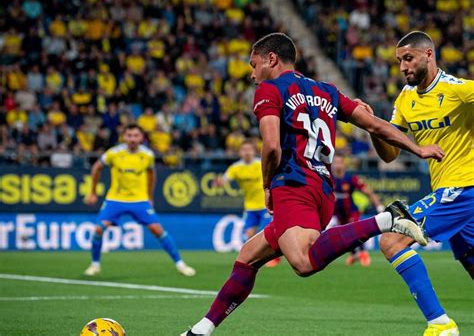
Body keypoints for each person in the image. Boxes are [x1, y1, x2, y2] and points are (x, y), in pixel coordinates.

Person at [181, 32, 444, 336]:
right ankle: (201, 330)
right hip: (322, 191)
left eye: (254, 65)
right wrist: (418, 149)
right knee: (248, 257)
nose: (252, 75)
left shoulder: (269, 90)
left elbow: (271, 147)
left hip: (293, 185)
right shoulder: (327, 91)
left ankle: (387, 219)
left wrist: (267, 185)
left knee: (303, 262)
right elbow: (374, 124)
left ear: (272, 59)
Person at [363, 31, 473, 336]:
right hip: (448, 192)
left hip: (464, 188)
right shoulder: (405, 99)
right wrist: (375, 128)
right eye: (399, 61)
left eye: (408, 58)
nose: (402, 67)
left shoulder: (460, 90)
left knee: (391, 239)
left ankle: (440, 324)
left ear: (429, 55)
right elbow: (389, 155)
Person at [84, 124, 196, 277]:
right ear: (124, 137)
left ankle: (180, 264)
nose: (132, 139)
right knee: (98, 229)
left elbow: (151, 174)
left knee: (157, 230)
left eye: (136, 136)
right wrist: (93, 192)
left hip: (139, 200)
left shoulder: (147, 155)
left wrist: (150, 196)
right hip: (115, 199)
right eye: (129, 135)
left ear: (141, 138)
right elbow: (96, 167)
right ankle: (95, 265)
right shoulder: (113, 153)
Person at [214, 139, 280, 267]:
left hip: (265, 205)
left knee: (268, 234)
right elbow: (225, 180)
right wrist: (219, 183)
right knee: (250, 235)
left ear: (254, 151)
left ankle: (274, 258)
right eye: (244, 150)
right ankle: (255, 260)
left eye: (249, 149)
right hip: (250, 207)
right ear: (240, 152)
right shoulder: (236, 168)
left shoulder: (260, 163)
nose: (247, 152)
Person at [331, 155, 385, 266]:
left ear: (344, 164)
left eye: (339, 162)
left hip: (351, 211)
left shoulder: (351, 178)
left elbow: (368, 191)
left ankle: (363, 253)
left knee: (356, 230)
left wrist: (378, 205)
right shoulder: (329, 179)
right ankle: (354, 254)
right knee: (345, 236)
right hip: (339, 213)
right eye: (335, 162)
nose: (337, 165)